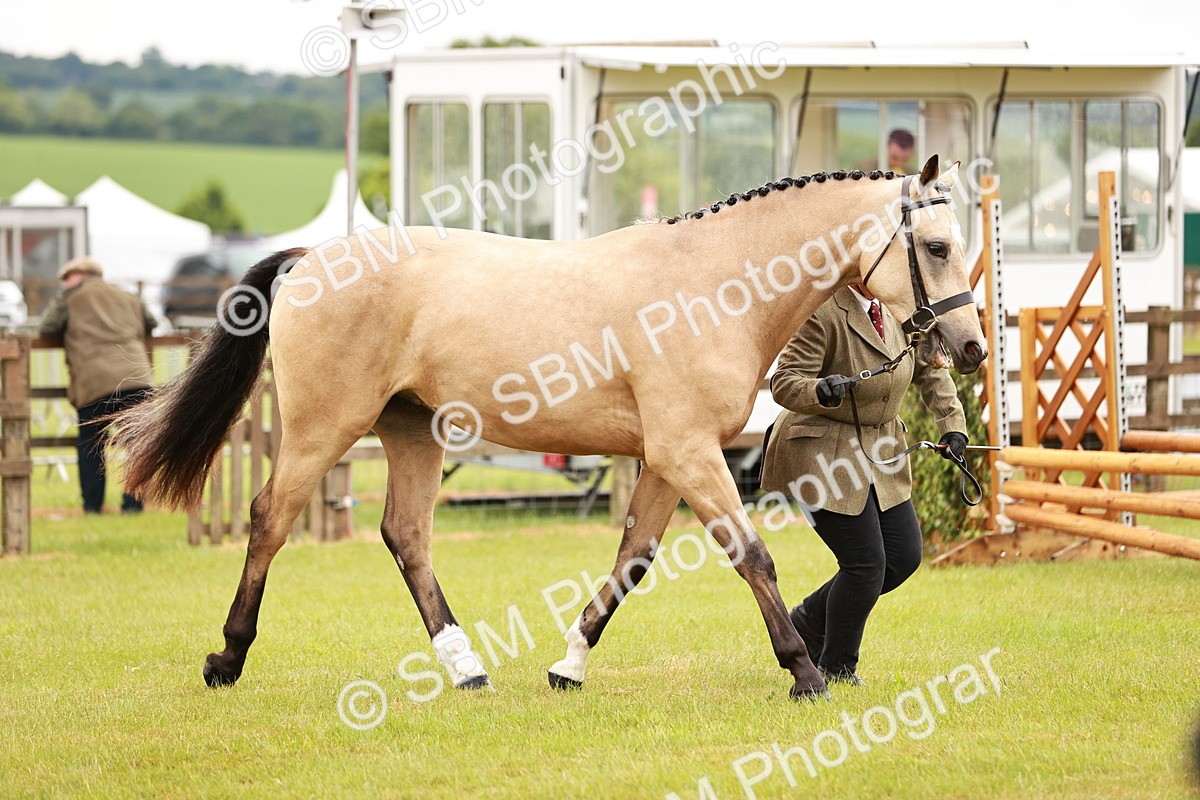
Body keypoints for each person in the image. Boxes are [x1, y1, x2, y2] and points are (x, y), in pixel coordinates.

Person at [760, 284, 968, 685]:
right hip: (818, 453)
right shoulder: (821, 311)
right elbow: (784, 382)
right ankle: (837, 667)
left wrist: (953, 426)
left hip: (881, 450)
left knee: (903, 557)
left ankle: (805, 620)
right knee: (865, 565)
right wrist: (819, 389)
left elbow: (929, 369)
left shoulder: (900, 307)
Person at [39, 257, 156, 514]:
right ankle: (134, 507)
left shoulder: (70, 299)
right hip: (137, 376)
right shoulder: (126, 295)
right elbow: (151, 322)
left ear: (79, 275)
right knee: (137, 444)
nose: (64, 284)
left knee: (91, 444)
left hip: (96, 381)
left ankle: (92, 507)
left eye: (66, 278)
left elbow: (46, 328)